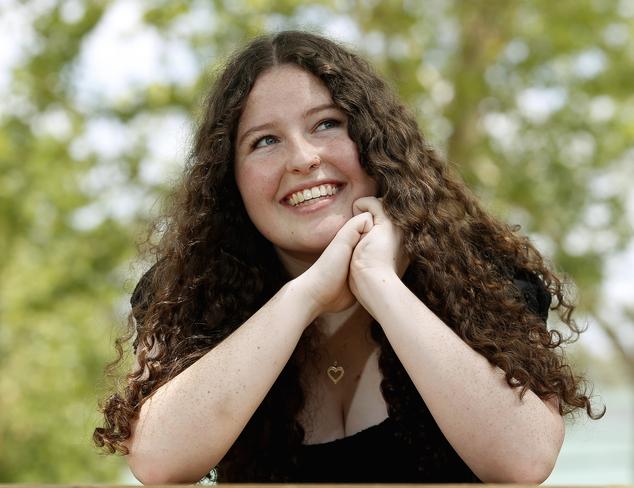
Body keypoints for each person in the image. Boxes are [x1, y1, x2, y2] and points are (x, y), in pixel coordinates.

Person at [93, 30, 603, 484]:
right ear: (231, 180)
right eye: (264, 141)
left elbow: (523, 462)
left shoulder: (481, 274)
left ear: (375, 141)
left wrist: (379, 283)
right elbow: (159, 462)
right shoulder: (185, 292)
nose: (302, 158)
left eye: (326, 124)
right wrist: (307, 295)